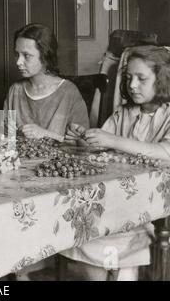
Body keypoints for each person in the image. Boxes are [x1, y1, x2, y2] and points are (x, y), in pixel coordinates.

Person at [65, 45, 170, 280]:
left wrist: (113, 139)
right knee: (82, 229)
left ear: (162, 80)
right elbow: (103, 146)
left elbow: (165, 151)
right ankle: (108, 273)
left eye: (141, 78)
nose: (132, 85)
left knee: (119, 237)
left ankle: (122, 272)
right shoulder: (124, 112)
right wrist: (84, 139)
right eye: (129, 78)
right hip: (120, 199)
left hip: (153, 208)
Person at [3, 23, 89, 141]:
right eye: (17, 54)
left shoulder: (69, 92)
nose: (18, 62)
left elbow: (83, 144)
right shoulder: (15, 90)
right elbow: (5, 136)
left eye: (26, 55)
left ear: (45, 56)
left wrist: (45, 134)